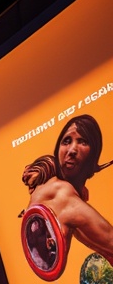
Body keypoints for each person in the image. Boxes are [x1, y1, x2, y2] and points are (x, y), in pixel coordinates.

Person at [22, 115, 113, 272]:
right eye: (66, 141)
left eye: (83, 141)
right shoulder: (61, 192)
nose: (72, 150)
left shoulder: (70, 192)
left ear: (94, 152)